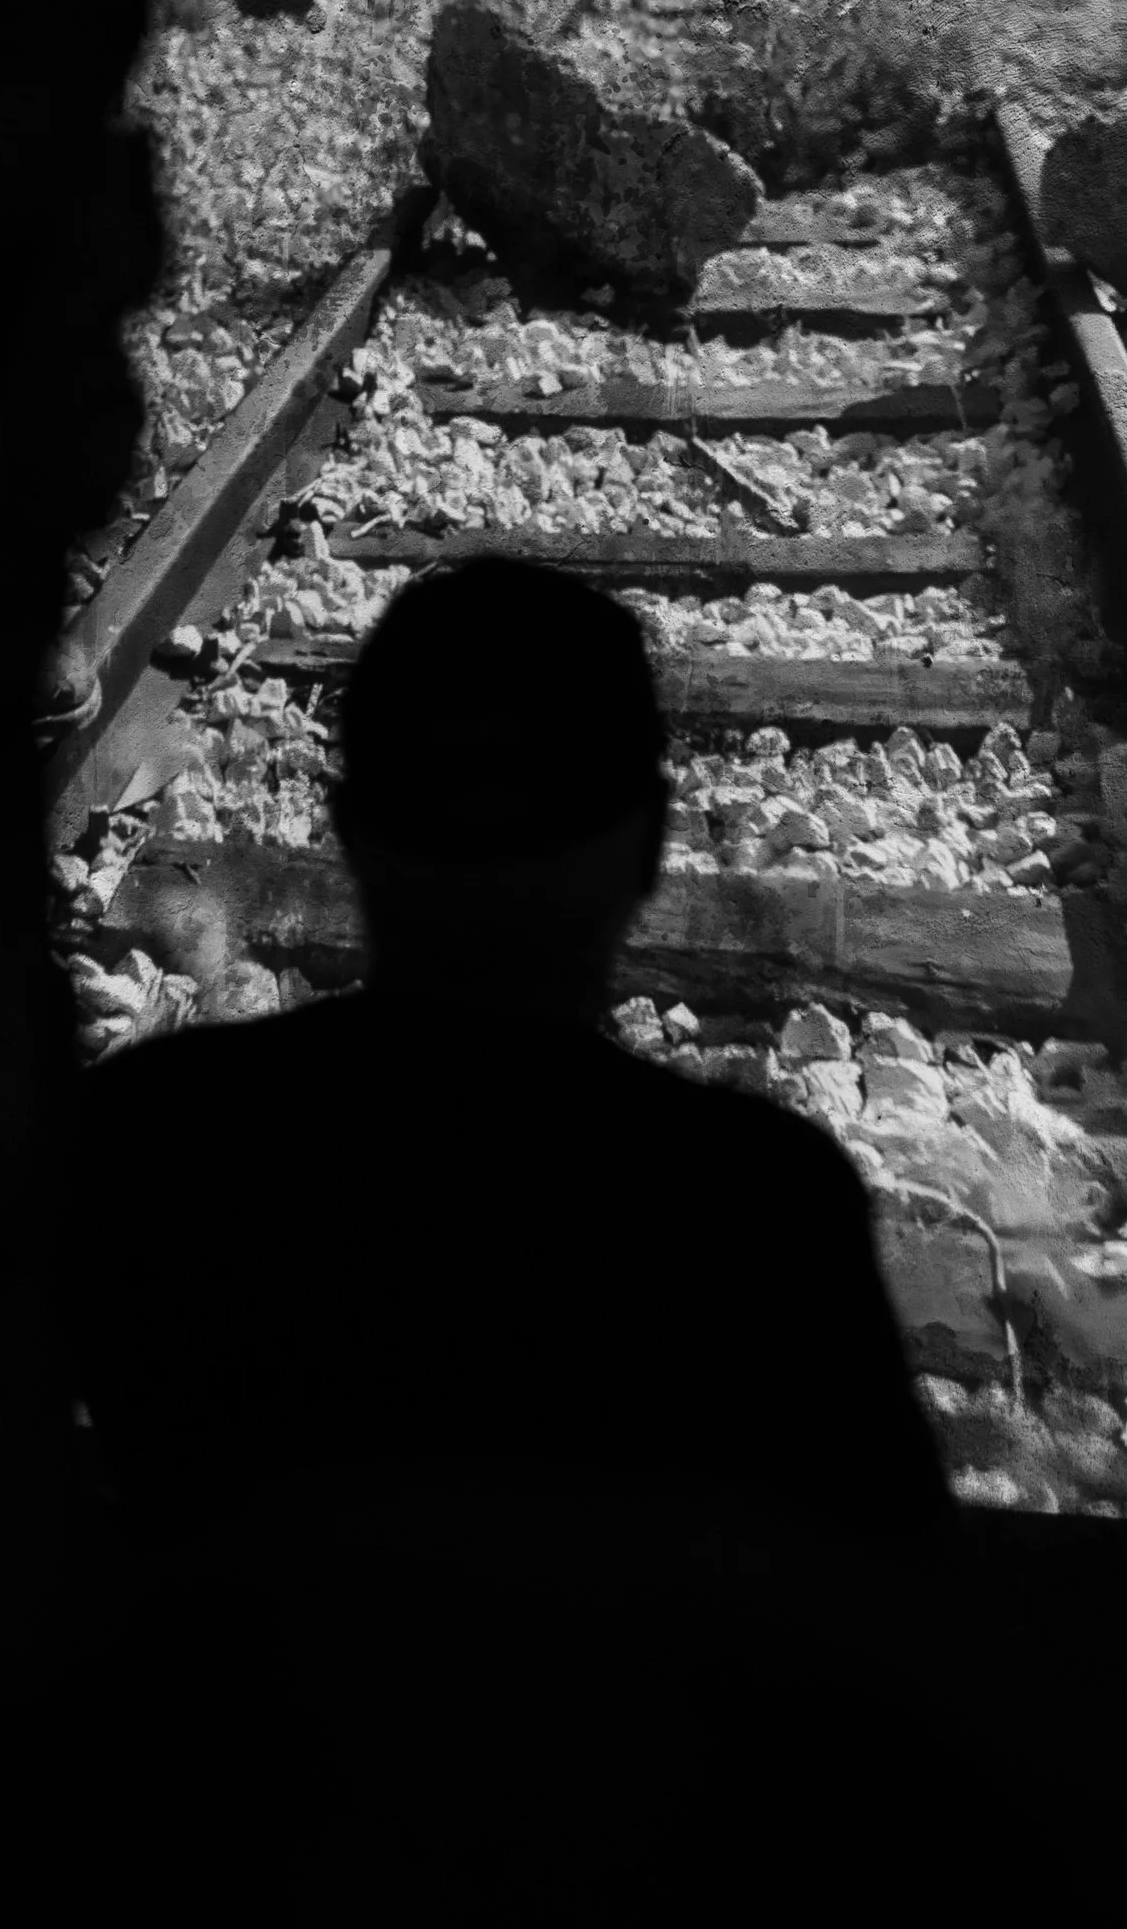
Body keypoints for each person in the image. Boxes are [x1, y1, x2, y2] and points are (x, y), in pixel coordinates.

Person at [56, 555, 952, 1541]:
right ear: (652, 844)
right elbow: (884, 1596)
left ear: (347, 836)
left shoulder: (155, 1133)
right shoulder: (759, 1205)